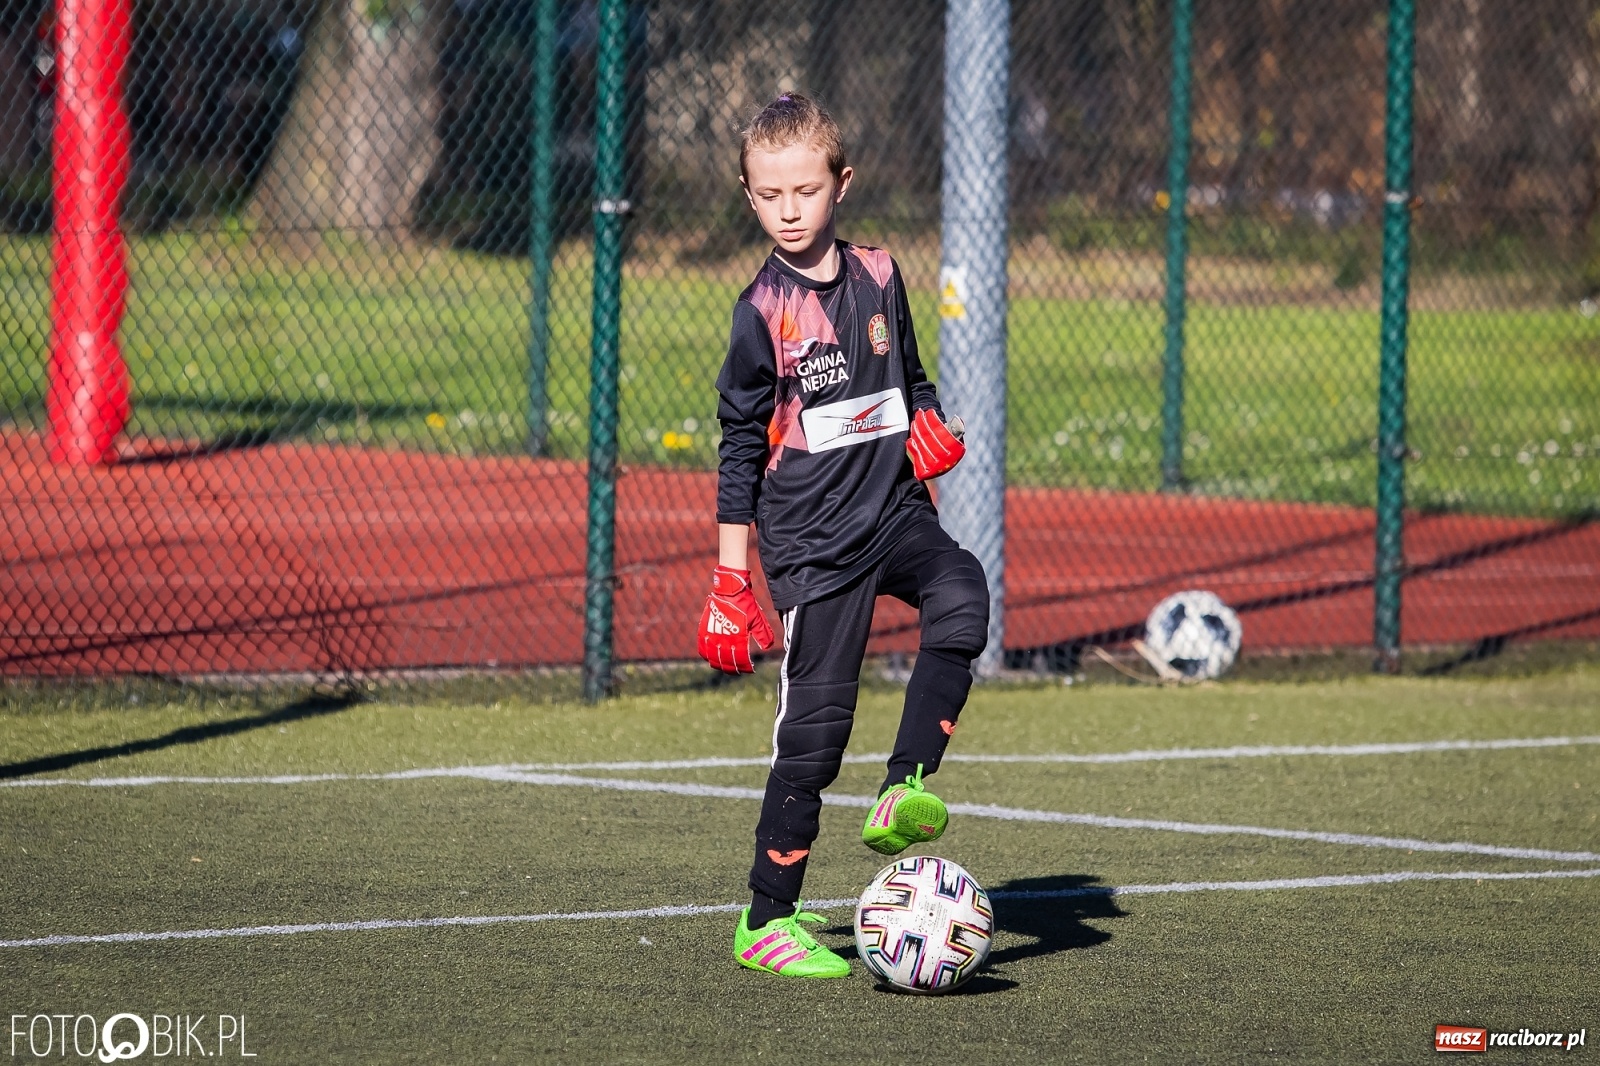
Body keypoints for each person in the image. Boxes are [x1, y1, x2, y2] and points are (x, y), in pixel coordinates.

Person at [696, 92, 990, 979]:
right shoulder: (761, 310)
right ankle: (764, 922)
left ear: (841, 183)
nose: (787, 210)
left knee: (963, 594)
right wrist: (728, 578)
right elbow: (741, 444)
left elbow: (912, 377)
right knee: (815, 741)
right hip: (812, 544)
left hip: (893, 514)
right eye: (767, 194)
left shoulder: (882, 274)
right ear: (748, 195)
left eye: (804, 190)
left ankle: (903, 787)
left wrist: (930, 424)